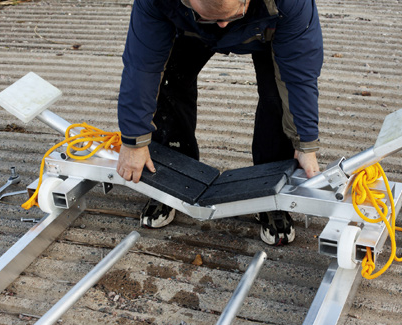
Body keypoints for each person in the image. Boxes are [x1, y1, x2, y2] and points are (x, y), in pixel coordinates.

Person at [116, 0, 323, 246]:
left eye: (229, 16)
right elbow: (142, 67)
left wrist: (305, 142)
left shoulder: (290, 4)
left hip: (265, 26)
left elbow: (298, 75)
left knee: (277, 96)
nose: (223, 25)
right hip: (185, 24)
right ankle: (168, 179)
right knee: (168, 83)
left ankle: (270, 193)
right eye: (213, 18)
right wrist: (134, 140)